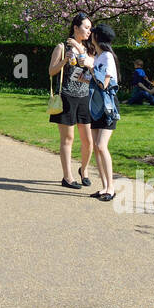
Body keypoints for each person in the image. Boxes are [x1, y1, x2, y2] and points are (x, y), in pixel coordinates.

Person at [48, 12, 95, 189]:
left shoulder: (89, 49)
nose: (89, 31)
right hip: (67, 97)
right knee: (68, 138)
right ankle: (67, 177)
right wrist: (65, 60)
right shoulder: (61, 47)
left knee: (88, 140)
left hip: (84, 97)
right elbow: (51, 71)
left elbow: (92, 70)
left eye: (90, 28)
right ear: (76, 28)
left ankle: (84, 170)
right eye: (86, 27)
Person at [83, 23, 121, 201]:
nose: (90, 35)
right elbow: (94, 80)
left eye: (93, 33)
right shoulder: (99, 56)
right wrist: (85, 76)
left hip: (107, 107)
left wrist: (90, 67)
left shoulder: (106, 57)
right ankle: (104, 187)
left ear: (97, 37)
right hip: (97, 107)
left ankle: (111, 188)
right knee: (98, 148)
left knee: (100, 146)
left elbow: (104, 84)